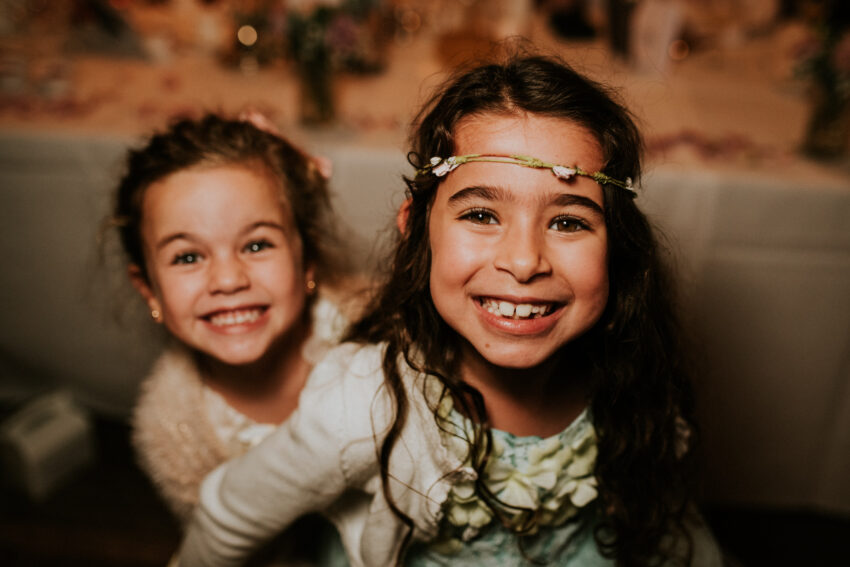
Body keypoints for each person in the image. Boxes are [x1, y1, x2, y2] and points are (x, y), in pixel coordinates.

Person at [177, 56, 724, 566]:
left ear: (619, 246)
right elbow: (228, 517)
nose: (524, 261)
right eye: (482, 214)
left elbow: (663, 511)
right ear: (416, 225)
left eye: (568, 222)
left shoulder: (630, 370)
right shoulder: (364, 406)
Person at [111, 112, 357, 564]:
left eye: (256, 245)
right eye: (188, 256)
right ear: (149, 289)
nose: (227, 279)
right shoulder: (170, 427)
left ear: (307, 260)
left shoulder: (373, 335)